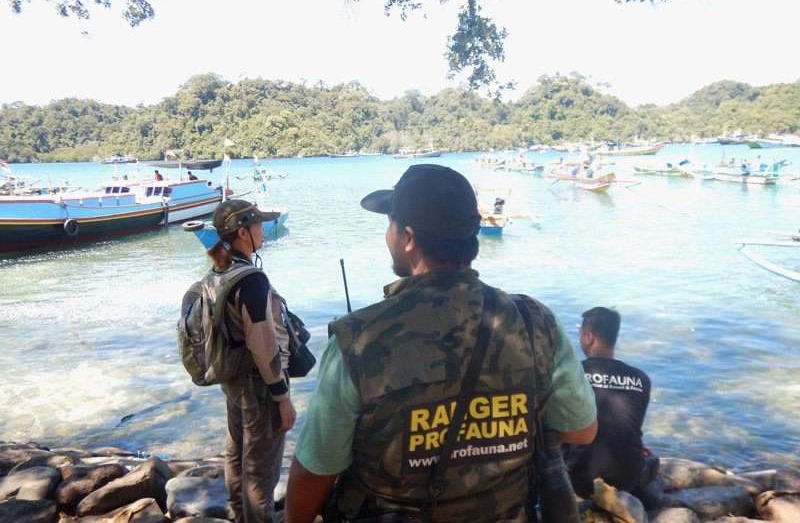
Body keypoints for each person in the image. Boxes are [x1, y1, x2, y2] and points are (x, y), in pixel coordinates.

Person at [285, 164, 597, 523]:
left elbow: (317, 468)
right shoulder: (533, 321)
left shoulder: (358, 339)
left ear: (408, 237)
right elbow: (582, 429)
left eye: (390, 222)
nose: (388, 234)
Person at [207, 199, 297, 523]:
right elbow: (263, 344)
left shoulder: (220, 271)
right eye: (258, 225)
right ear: (243, 232)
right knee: (260, 473)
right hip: (260, 388)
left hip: (233, 382)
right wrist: (282, 397)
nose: (263, 229)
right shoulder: (252, 280)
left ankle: (242, 517)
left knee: (236, 457)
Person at [563, 307, 655, 499]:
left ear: (589, 337)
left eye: (581, 334)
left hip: (581, 481)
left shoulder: (571, 374)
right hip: (627, 479)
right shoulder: (641, 379)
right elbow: (630, 426)